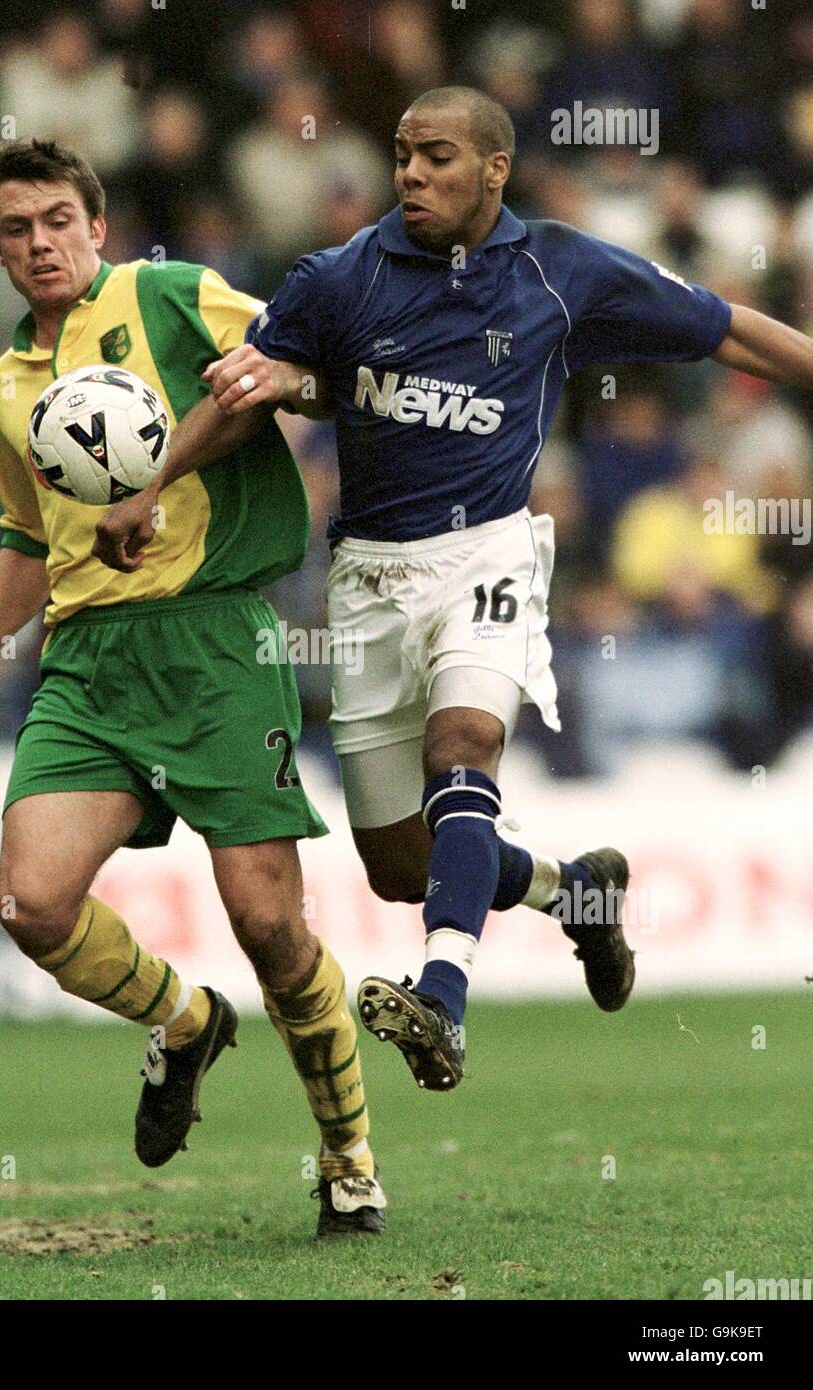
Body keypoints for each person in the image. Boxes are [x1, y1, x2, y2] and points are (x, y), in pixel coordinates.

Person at [177, 86, 813, 1093]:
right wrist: (155, 482)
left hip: (490, 554)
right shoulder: (339, 278)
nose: (412, 175)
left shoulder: (561, 268)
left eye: (436, 157)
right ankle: (577, 894)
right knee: (399, 865)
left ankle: (443, 997)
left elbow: (722, 327)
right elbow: (253, 385)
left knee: (462, 749)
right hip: (369, 580)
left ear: (493, 168)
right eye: (401, 157)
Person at [0, 138, 386, 1237]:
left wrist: (276, 381)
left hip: (219, 643)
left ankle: (348, 1154)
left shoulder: (170, 296)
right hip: (85, 663)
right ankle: (184, 1020)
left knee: (270, 926)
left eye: (56, 221)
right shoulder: (4, 387)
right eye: (16, 229)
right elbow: (27, 537)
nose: (39, 243)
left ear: (98, 226)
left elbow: (313, 370)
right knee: (30, 902)